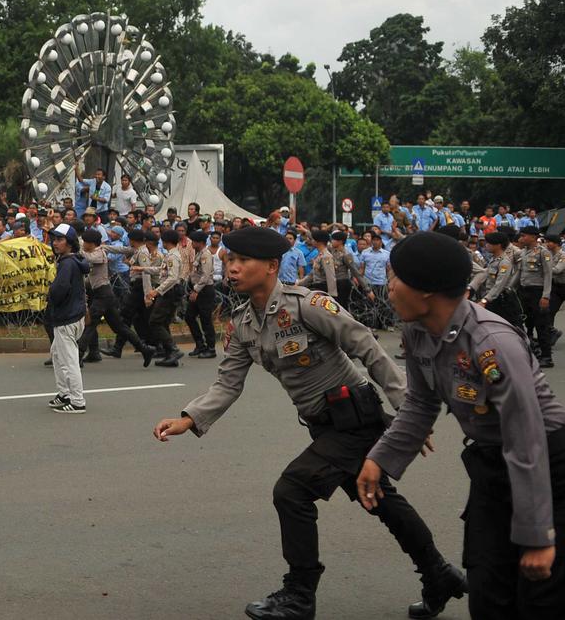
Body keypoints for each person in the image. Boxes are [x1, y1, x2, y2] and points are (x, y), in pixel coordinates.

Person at [154, 226, 464, 620]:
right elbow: (228, 383)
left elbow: (366, 345)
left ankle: (299, 594)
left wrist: (407, 412)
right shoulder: (242, 323)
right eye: (229, 261)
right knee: (379, 500)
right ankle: (438, 574)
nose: (231, 268)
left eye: (241, 261)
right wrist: (187, 418)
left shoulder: (307, 304)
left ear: (270, 266)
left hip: (353, 417)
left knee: (292, 490)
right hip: (324, 425)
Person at [360, 230, 565, 618]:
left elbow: (526, 439)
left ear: (426, 290)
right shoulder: (417, 331)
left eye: (395, 278)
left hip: (548, 468)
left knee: (540, 599)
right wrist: (380, 458)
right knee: (487, 592)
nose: (388, 288)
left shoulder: (491, 342)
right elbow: (420, 404)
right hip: (492, 467)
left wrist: (538, 535)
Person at [78, 229, 157, 366]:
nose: (84, 244)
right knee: (119, 327)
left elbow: (88, 258)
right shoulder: (97, 250)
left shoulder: (99, 253)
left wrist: (76, 248)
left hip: (103, 295)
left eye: (85, 242)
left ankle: (77, 356)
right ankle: (145, 349)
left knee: (90, 324)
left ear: (91, 244)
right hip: (103, 294)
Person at [46, 224, 90, 413]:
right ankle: (64, 393)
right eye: (54, 239)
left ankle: (77, 400)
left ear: (70, 243)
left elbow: (59, 290)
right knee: (57, 354)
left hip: (67, 317)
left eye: (60, 239)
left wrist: (50, 294)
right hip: (73, 315)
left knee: (69, 359)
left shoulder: (67, 263)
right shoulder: (74, 260)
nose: (55, 243)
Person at [515, 226, 554, 368]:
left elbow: (548, 275)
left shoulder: (543, 252)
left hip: (538, 292)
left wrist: (546, 296)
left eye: (524, 235)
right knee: (525, 323)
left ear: (533, 237)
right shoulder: (523, 252)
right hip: (524, 292)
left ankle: (546, 356)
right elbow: (519, 273)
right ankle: (532, 352)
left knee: (541, 325)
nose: (521, 238)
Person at [147, 230, 187, 367]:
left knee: (155, 322)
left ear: (166, 241)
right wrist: (143, 269)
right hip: (169, 291)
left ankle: (173, 349)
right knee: (163, 322)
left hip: (169, 292)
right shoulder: (170, 255)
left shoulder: (172, 257)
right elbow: (162, 270)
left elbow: (172, 277)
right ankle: (170, 354)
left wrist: (157, 291)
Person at [470, 231, 523, 328]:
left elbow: (499, 285)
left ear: (498, 245)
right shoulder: (494, 259)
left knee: (510, 326)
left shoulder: (504, 262)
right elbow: (485, 274)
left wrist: (485, 300)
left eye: (489, 243)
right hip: (492, 299)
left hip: (501, 301)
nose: (486, 245)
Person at [184, 229, 219, 358]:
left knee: (206, 320)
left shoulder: (206, 255)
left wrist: (196, 290)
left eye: (193, 241)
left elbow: (205, 276)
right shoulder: (198, 253)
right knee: (189, 316)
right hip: (197, 289)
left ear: (200, 242)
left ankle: (211, 348)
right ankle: (200, 344)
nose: (192, 243)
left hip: (204, 290)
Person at [297, 229, 337, 298]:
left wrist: (332, 295)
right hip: (317, 288)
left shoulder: (326, 256)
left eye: (312, 239)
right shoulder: (320, 255)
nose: (311, 241)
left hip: (323, 289)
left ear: (319, 241)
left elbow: (330, 277)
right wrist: (299, 283)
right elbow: (312, 274)